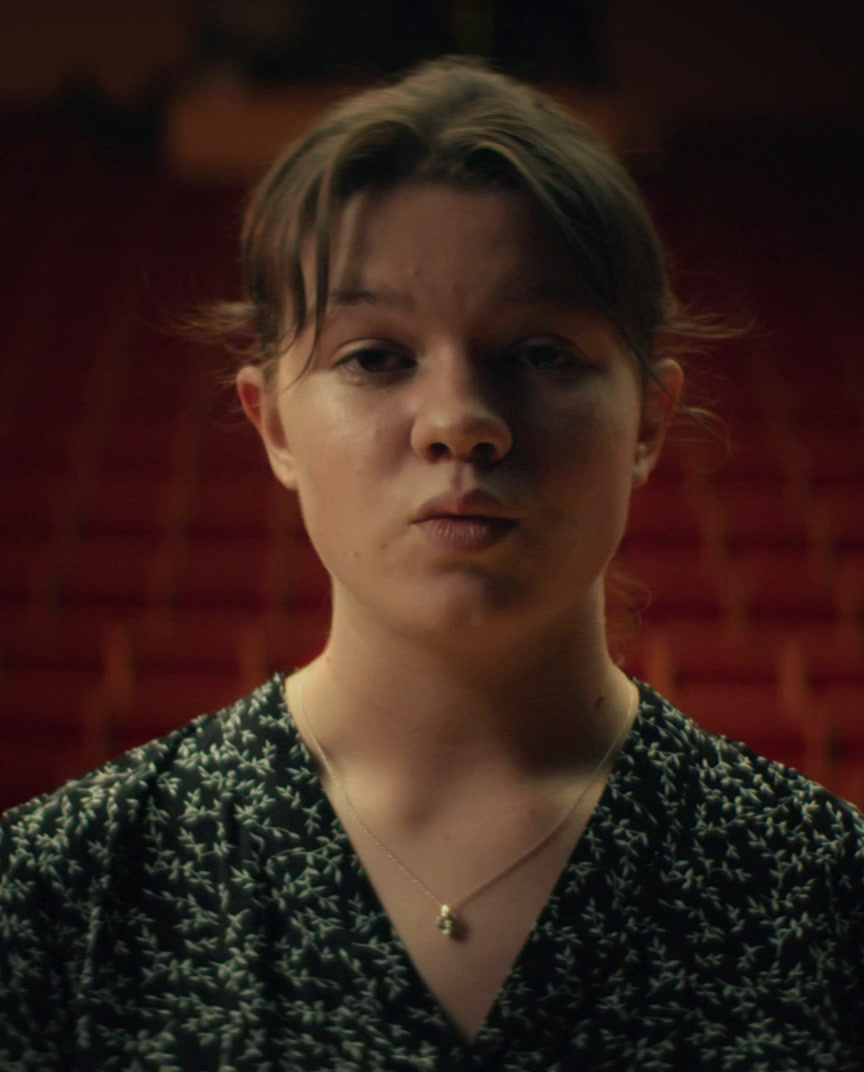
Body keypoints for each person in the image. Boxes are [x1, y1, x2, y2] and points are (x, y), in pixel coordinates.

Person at [2, 56, 863, 1072]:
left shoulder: (824, 893)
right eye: (375, 356)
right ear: (272, 423)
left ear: (650, 422)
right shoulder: (56, 890)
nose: (461, 423)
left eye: (541, 352)